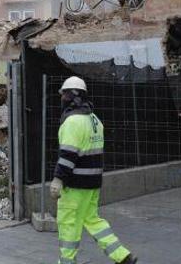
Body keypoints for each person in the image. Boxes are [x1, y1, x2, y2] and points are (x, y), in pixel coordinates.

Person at [51, 76, 137, 264]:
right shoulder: (94, 120)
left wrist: (58, 179)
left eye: (64, 94)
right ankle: (122, 255)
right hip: (93, 183)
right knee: (93, 220)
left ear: (72, 96)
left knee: (68, 223)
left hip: (75, 185)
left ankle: (67, 261)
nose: (61, 98)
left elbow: (68, 155)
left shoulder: (73, 122)